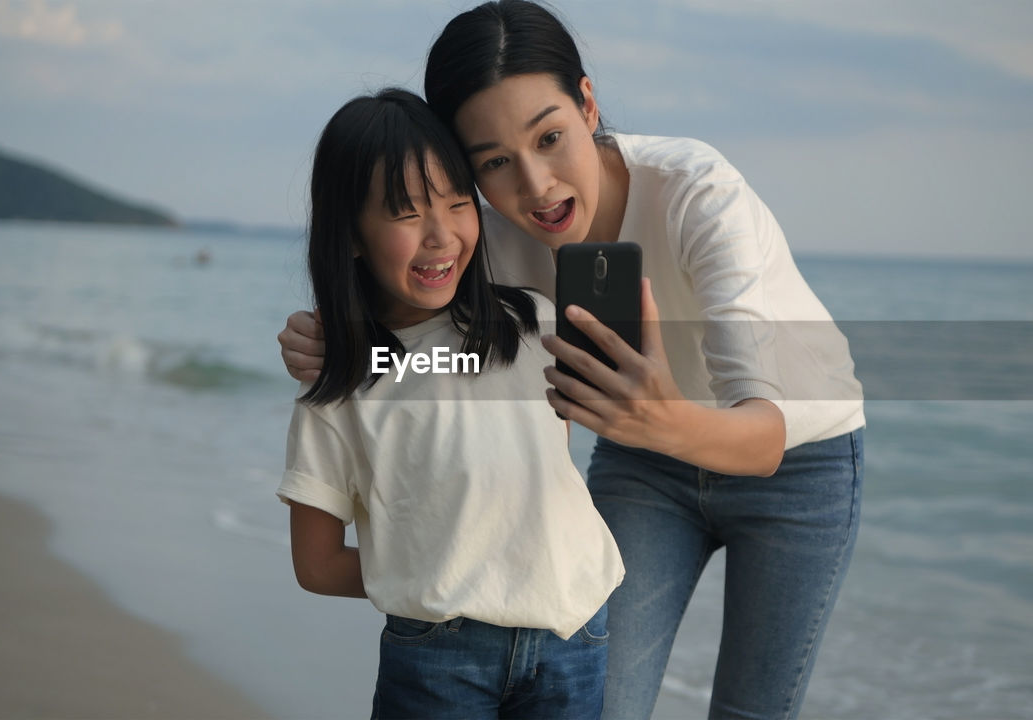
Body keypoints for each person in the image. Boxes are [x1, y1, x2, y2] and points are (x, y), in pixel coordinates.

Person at [279, 3, 865, 717]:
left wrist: (661, 418)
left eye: (550, 136)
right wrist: (339, 337)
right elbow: (421, 328)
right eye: (492, 162)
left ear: (588, 103)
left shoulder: (698, 193)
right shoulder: (480, 228)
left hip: (797, 459)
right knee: (605, 699)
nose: (535, 186)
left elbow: (765, 438)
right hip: (643, 459)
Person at [278, 87, 624, 719]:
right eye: (406, 214)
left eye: (459, 204)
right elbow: (317, 564)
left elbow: (554, 479)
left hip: (575, 635)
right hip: (440, 654)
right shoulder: (341, 380)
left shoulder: (535, 326)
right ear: (350, 233)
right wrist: (441, 567)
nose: (442, 236)